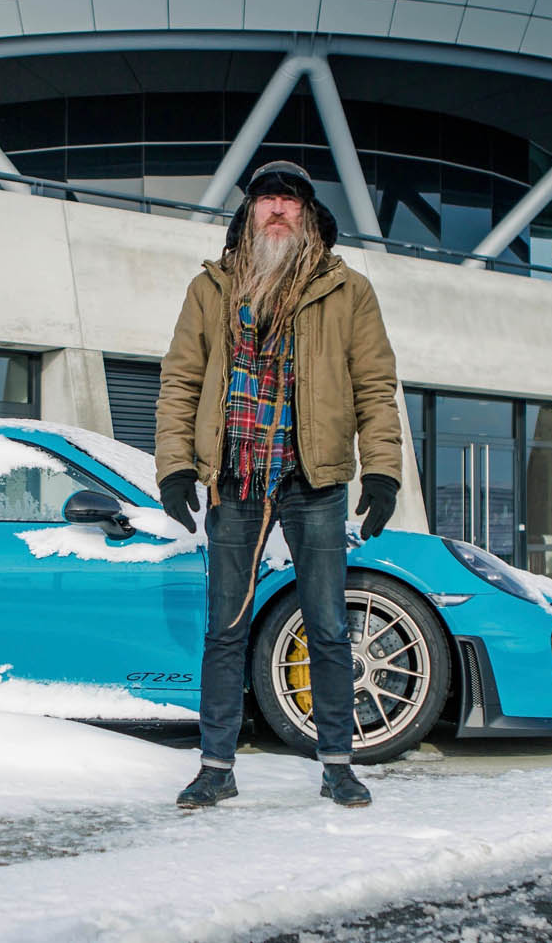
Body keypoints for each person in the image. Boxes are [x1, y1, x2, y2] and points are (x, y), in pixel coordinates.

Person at [154, 160, 403, 810]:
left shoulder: (347, 291)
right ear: (249, 211)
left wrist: (382, 470)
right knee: (224, 628)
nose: (278, 210)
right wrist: (176, 465)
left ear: (308, 215)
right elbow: (181, 382)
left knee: (326, 625)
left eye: (290, 200)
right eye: (267, 198)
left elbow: (376, 387)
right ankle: (216, 766)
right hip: (235, 478)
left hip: (313, 479)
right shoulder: (211, 288)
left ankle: (338, 765)